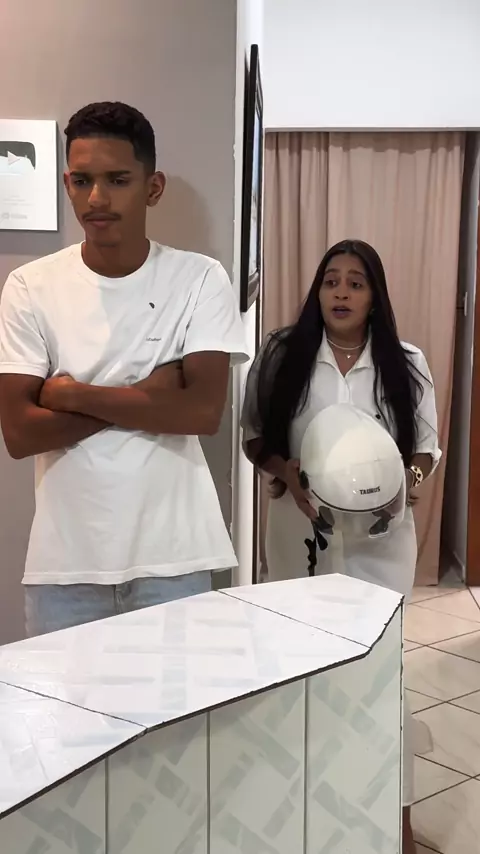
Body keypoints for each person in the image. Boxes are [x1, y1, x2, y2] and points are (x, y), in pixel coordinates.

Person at [0, 101, 247, 637]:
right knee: (63, 697)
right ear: (66, 184)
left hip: (175, 557)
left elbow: (202, 413)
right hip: (65, 565)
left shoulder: (200, 278)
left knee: (180, 697)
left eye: (117, 180)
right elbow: (20, 434)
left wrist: (70, 395)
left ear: (153, 188)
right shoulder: (29, 287)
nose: (97, 198)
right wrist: (153, 394)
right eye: (82, 180)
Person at [241, 239, 440, 854]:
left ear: (374, 295)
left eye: (356, 282)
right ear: (318, 291)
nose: (342, 292)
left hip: (382, 544)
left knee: (381, 677)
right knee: (300, 672)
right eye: (331, 281)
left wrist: (402, 484)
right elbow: (253, 436)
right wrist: (286, 469)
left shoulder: (406, 361)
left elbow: (426, 448)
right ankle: (306, 818)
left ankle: (396, 824)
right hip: (297, 536)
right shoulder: (282, 353)